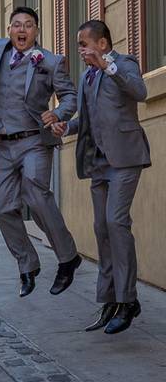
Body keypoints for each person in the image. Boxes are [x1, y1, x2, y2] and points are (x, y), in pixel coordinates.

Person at [0, 8, 80, 298]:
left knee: (37, 196)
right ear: (9, 29)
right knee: (2, 206)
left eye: (28, 25)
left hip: (35, 140)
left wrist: (59, 112)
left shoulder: (50, 61)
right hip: (2, 144)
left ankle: (67, 258)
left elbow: (70, 97)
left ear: (36, 31)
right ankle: (27, 265)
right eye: (16, 25)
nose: (21, 30)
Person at [52, 20, 150, 334]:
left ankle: (128, 300)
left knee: (116, 222)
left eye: (84, 44)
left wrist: (109, 66)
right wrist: (65, 126)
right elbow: (86, 118)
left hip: (125, 157)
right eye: (79, 44)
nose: (80, 50)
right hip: (99, 163)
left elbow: (140, 91)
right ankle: (110, 298)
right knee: (101, 229)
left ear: (103, 44)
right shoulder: (86, 77)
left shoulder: (124, 64)